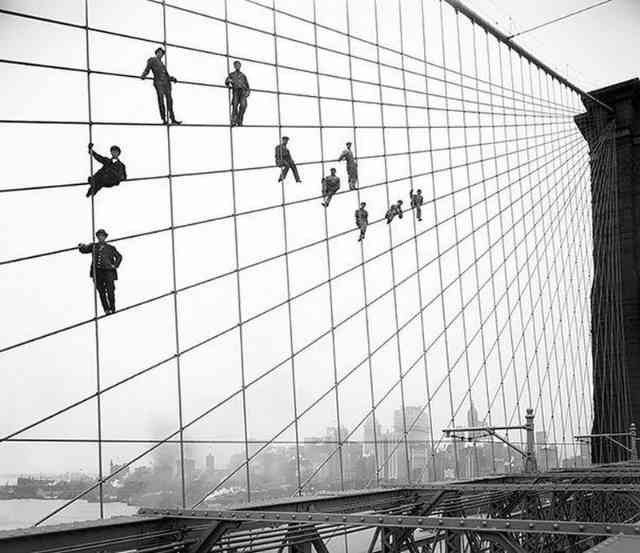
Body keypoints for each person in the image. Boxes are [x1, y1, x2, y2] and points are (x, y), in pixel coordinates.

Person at [78, 229, 123, 315]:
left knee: (110, 290)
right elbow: (84, 250)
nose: (101, 237)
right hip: (97, 273)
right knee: (101, 291)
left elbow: (119, 257)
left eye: (102, 236)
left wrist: (115, 265)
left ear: (105, 237)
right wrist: (81, 245)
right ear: (97, 237)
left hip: (108, 272)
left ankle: (112, 307)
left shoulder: (110, 248)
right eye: (99, 236)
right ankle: (106, 309)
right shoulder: (94, 246)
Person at [140, 47, 182, 125]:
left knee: (170, 101)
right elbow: (147, 69)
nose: (161, 54)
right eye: (159, 52)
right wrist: (143, 75)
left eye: (162, 53)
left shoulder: (162, 65)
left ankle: (172, 119)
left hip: (166, 84)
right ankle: (164, 119)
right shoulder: (152, 60)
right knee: (161, 101)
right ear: (156, 53)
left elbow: (167, 75)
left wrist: (172, 78)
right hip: (159, 83)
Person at [225, 60, 250, 127]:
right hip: (236, 91)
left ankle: (239, 120)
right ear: (234, 66)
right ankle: (234, 121)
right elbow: (226, 82)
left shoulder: (243, 75)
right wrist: (228, 82)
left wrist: (247, 92)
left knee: (243, 106)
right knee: (235, 106)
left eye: (238, 65)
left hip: (242, 92)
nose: (237, 66)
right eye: (236, 65)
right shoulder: (231, 74)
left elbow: (247, 85)